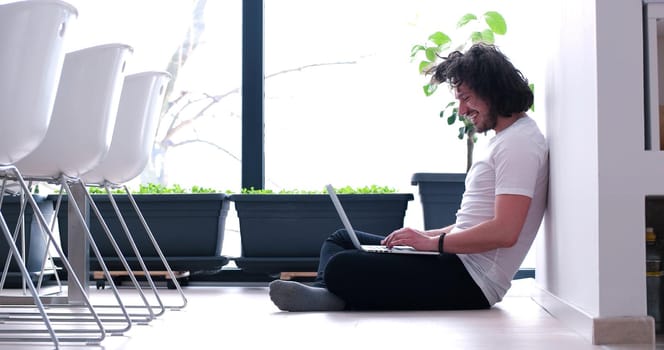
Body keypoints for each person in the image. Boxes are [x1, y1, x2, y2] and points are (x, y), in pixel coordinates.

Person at [268, 42, 549, 311]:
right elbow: (474, 223)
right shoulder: (509, 139)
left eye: (465, 98)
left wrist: (432, 244)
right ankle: (327, 294)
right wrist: (424, 236)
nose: (462, 111)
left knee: (343, 266)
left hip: (472, 280)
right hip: (455, 261)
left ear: (492, 89)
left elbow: (505, 232)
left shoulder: (519, 144)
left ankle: (332, 293)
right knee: (341, 239)